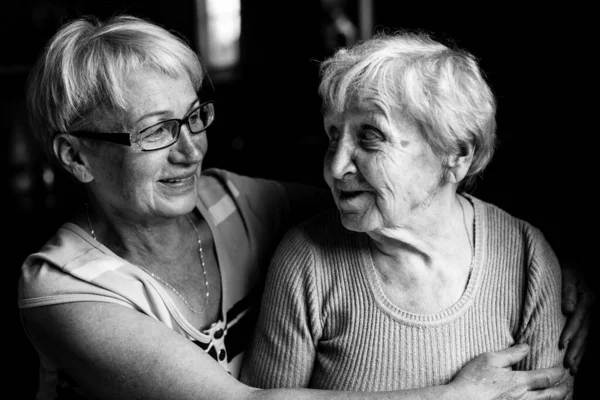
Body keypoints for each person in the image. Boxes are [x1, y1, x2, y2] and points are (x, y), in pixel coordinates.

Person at [16, 15, 588, 400]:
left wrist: (545, 261)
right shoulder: (61, 287)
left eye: (193, 117)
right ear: (76, 156)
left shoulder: (234, 202)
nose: (191, 149)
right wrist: (455, 397)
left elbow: (407, 207)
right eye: (156, 131)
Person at [239, 31, 582, 398]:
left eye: (370, 136)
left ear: (457, 153)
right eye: (333, 134)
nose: (336, 167)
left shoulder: (526, 256)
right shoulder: (307, 261)